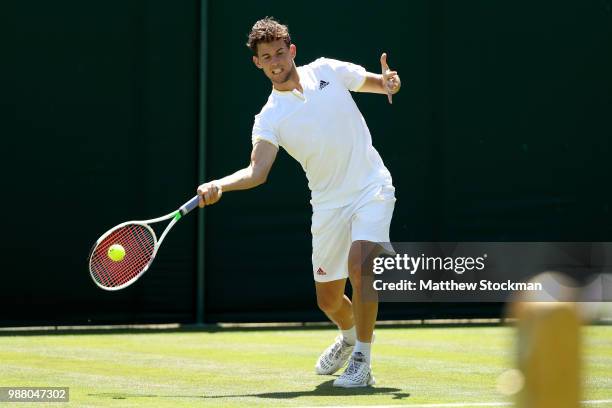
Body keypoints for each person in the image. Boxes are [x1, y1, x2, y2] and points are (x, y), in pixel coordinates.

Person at [197, 17, 400, 388]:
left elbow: (378, 84)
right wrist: (219, 185)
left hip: (371, 187)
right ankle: (349, 336)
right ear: (257, 62)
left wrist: (389, 82)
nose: (275, 62)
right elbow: (257, 172)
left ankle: (362, 361)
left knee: (362, 265)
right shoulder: (269, 118)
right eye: (266, 57)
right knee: (328, 300)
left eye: (279, 53)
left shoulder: (327, 70)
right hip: (327, 205)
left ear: (292, 51)